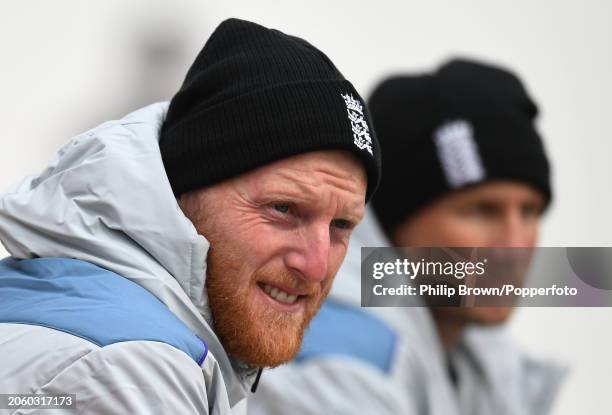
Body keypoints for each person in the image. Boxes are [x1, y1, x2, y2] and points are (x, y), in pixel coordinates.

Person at [0, 18, 380, 414]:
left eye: (341, 226)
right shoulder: (133, 368)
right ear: (184, 188)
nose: (317, 266)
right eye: (282, 209)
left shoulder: (91, 316)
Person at [250, 59, 566, 415]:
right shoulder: (347, 360)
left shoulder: (478, 363)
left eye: (530, 211)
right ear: (394, 220)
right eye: (483, 210)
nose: (514, 243)